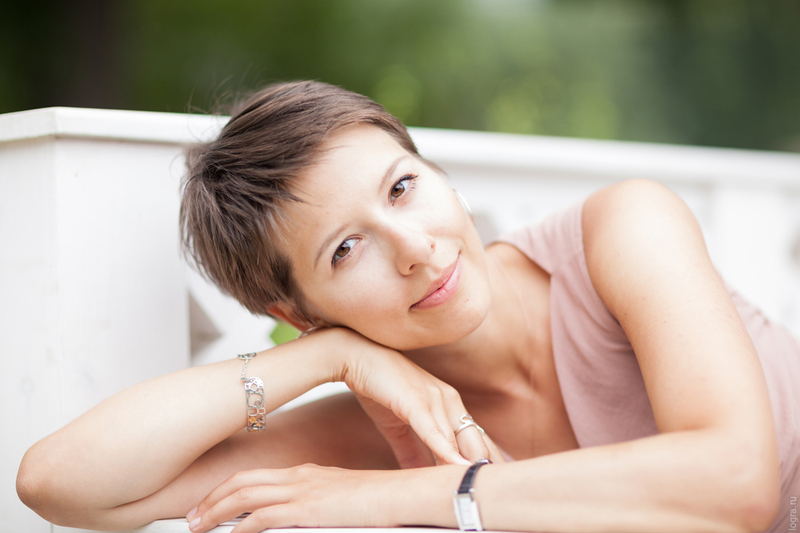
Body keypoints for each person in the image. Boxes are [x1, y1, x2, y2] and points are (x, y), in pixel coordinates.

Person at [16, 81, 800, 533]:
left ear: (436, 171)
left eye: (401, 187)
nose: (416, 248)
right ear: (300, 309)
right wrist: (329, 356)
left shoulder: (619, 230)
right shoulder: (381, 426)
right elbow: (60, 483)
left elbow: (735, 480)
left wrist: (388, 495)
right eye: (345, 250)